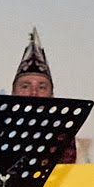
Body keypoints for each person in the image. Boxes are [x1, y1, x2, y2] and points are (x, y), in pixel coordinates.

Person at [9, 29, 79, 163]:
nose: (33, 93)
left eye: (42, 87)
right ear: (13, 92)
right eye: (25, 86)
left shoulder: (62, 132)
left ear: (51, 95)